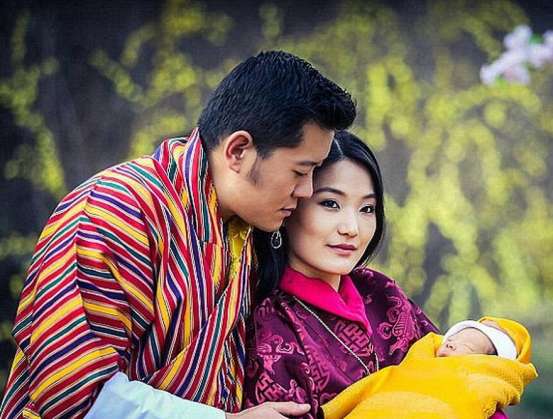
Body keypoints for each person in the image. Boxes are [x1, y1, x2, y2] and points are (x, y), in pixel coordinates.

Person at [0, 51, 356, 419]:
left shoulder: (242, 232)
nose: (307, 191)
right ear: (238, 151)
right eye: (300, 171)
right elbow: (73, 394)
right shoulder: (118, 208)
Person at [243, 131, 521, 419]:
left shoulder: (381, 293)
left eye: (367, 209)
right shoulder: (272, 326)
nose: (352, 228)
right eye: (330, 203)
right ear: (290, 203)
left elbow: (459, 381)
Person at [322, 317, 537, 419]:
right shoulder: (406, 370)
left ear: (487, 365)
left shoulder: (480, 392)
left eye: (468, 346)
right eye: (451, 339)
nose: (451, 344)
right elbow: (367, 387)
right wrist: (327, 412)